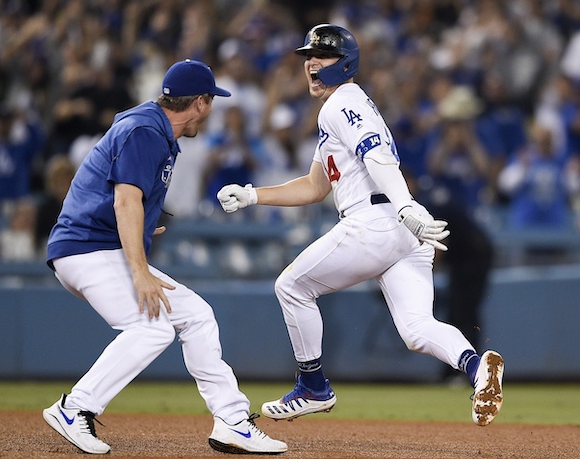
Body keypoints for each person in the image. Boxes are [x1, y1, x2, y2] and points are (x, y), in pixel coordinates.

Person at [217, 24, 504, 427]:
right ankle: (477, 368)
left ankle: (313, 386)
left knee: (292, 286)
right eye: (308, 57)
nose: (312, 64)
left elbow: (376, 155)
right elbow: (315, 187)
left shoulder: (341, 104)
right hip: (400, 228)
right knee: (418, 329)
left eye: (322, 56)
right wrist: (253, 194)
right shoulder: (342, 106)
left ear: (346, 63)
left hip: (378, 221)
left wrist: (404, 205)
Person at [42, 59, 287, 455]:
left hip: (99, 245)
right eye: (210, 104)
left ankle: (232, 421)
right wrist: (139, 270)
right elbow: (125, 199)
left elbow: (113, 196)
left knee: (197, 316)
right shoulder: (145, 130)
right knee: (152, 328)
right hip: (86, 250)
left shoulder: (150, 125)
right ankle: (75, 407)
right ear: (201, 103)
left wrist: (134, 230)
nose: (208, 115)